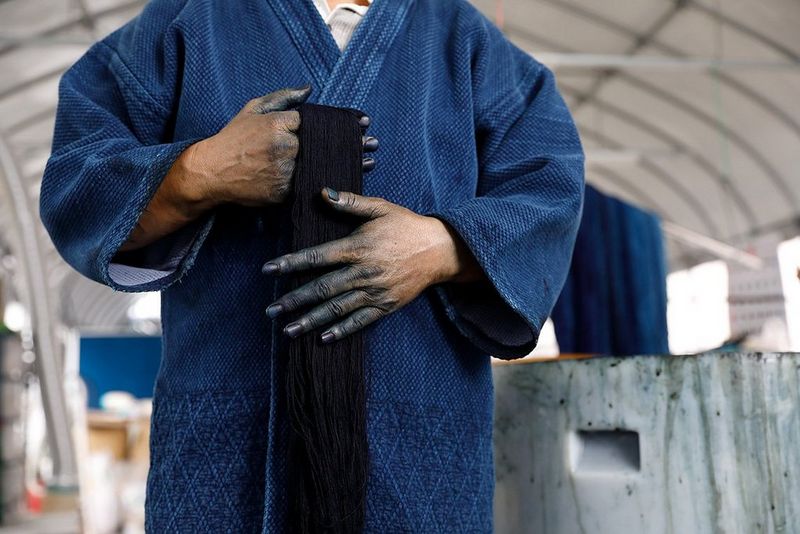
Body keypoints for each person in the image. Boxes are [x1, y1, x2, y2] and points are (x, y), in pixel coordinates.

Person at [40, 0, 585, 531]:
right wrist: (198, 172)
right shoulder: (189, 20)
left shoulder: (465, 39)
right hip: (227, 441)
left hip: (416, 442)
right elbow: (75, 182)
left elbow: (549, 191)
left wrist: (443, 246)